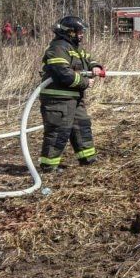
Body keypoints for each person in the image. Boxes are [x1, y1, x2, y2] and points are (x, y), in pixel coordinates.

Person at [38, 16, 106, 172]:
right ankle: (49, 167)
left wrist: (95, 67)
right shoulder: (58, 48)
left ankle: (88, 159)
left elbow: (89, 59)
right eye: (79, 31)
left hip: (74, 98)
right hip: (58, 99)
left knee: (82, 126)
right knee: (58, 131)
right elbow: (63, 73)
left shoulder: (75, 48)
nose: (82, 34)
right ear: (69, 32)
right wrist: (85, 82)